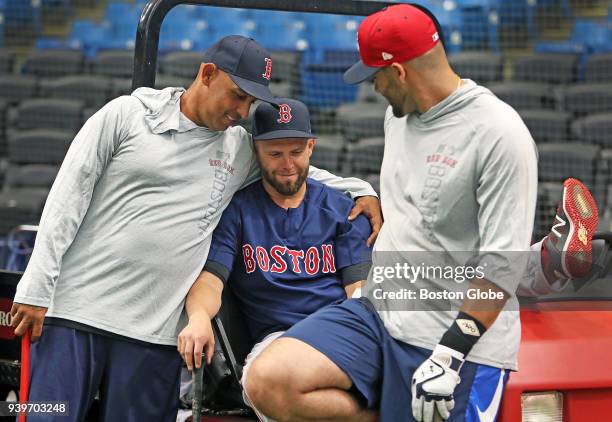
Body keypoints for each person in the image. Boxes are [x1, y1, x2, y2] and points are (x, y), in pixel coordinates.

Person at [239, 5, 599, 422]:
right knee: (269, 381)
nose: (372, 87)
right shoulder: (399, 118)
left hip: (455, 342)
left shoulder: (498, 134)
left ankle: (543, 263)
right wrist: (368, 196)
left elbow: (500, 266)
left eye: (375, 75)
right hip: (381, 314)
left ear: (400, 73)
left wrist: (449, 354)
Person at [8, 35, 381, 422]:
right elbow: (66, 199)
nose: (242, 110)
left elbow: (294, 171)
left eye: (251, 102)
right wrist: (37, 288)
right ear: (207, 73)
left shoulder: (239, 147)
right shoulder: (125, 116)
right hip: (74, 313)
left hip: (156, 333)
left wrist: (363, 191)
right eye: (237, 95)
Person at [177, 97, 375, 420]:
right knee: (260, 384)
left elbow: (360, 291)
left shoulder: (344, 209)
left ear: (311, 147)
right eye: (275, 153)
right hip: (277, 340)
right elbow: (211, 280)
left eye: (296, 152)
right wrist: (198, 317)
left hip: (337, 332)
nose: (287, 165)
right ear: (256, 152)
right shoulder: (237, 211)